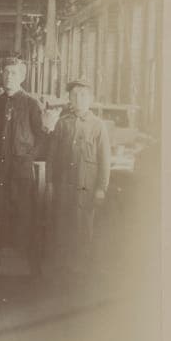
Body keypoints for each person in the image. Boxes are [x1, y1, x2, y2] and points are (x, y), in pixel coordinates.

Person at [0, 55, 48, 275]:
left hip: (19, 169)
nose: (9, 77)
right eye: (6, 72)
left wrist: (27, 157)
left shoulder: (31, 104)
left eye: (14, 73)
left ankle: (32, 262)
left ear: (22, 76)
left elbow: (41, 137)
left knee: (24, 211)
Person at [45, 79, 111, 277]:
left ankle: (81, 268)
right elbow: (52, 156)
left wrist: (101, 188)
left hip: (86, 186)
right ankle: (62, 266)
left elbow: (105, 160)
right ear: (70, 99)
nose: (78, 99)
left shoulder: (98, 126)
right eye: (74, 95)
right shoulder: (62, 123)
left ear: (90, 99)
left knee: (83, 224)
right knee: (62, 222)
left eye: (83, 95)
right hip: (64, 185)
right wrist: (49, 182)